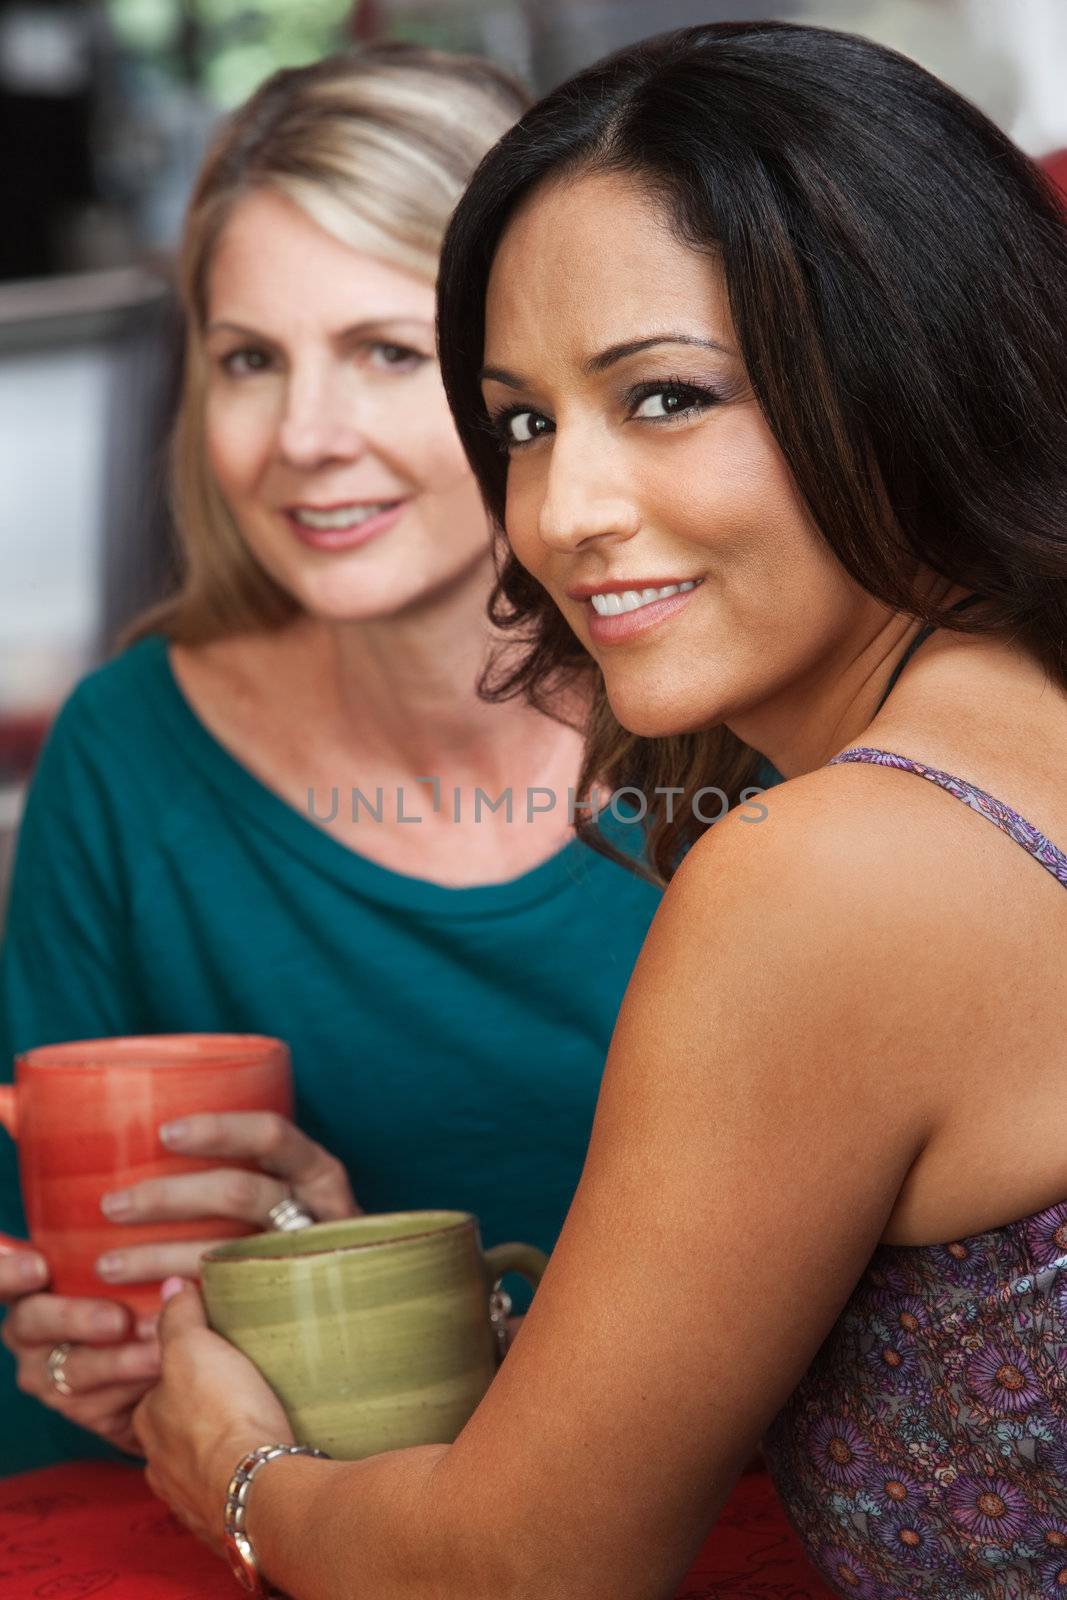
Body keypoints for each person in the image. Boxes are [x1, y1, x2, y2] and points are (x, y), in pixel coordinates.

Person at [132, 20, 1067, 1600]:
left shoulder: (835, 870)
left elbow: (530, 1570)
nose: (562, 514)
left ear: (908, 363)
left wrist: (240, 1476)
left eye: (667, 399)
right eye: (523, 422)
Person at [0, 43, 664, 1476]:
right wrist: (88, 1350)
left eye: (386, 352)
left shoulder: (746, 734)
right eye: (250, 360)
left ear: (533, 377)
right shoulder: (126, 755)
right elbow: (50, 1351)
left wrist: (390, 1298)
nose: (304, 438)